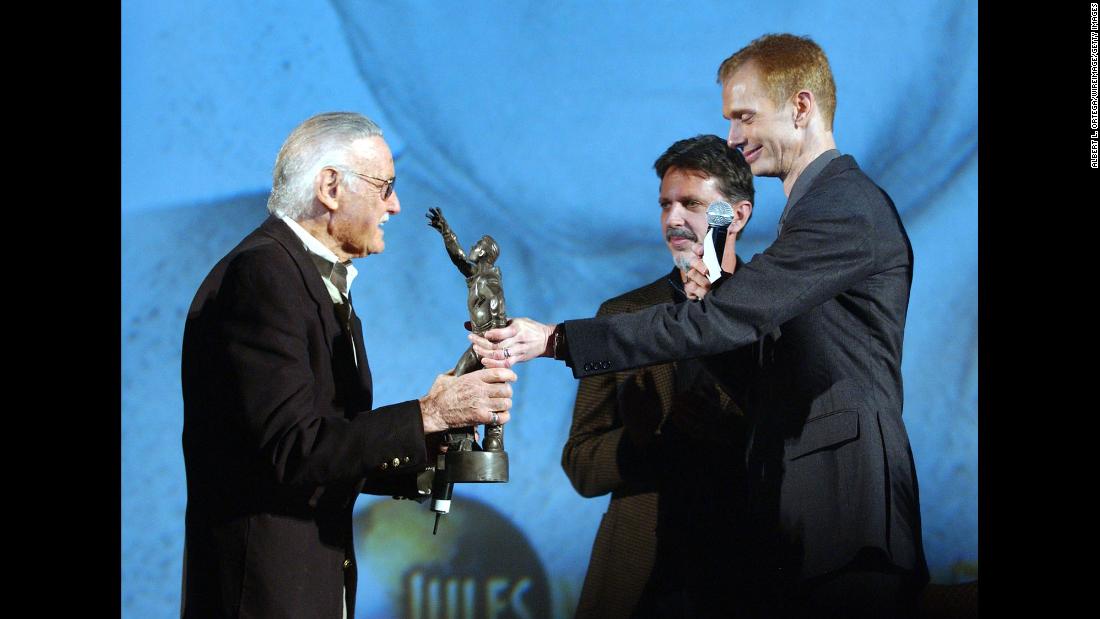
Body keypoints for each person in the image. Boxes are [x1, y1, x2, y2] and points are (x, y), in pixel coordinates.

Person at [471, 34, 928, 617]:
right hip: (796, 533)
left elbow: (727, 323)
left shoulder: (841, 205)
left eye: (744, 116)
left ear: (802, 107)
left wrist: (558, 338)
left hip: (843, 516)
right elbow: (775, 357)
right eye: (728, 119)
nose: (733, 137)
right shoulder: (813, 211)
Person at [180, 112, 517, 619]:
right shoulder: (264, 275)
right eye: (385, 186)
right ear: (331, 187)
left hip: (309, 585)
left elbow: (330, 445)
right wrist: (427, 413)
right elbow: (293, 451)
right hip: (265, 596)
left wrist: (433, 445)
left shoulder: (313, 280)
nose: (395, 205)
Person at [562, 135, 755, 618]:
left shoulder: (775, 314)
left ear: (737, 216)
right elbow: (582, 463)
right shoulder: (623, 315)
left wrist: (731, 432)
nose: (673, 220)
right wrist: (639, 440)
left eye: (691, 204)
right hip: (641, 583)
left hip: (748, 570)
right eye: (665, 205)